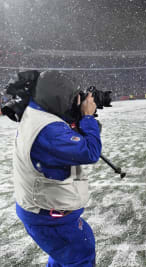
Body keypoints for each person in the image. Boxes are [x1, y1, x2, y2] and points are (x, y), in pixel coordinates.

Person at [13, 70, 101, 266]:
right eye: (71, 98)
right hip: (49, 217)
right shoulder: (48, 130)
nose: (73, 103)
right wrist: (87, 117)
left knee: (64, 254)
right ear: (58, 96)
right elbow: (90, 152)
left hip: (39, 209)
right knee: (80, 256)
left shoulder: (35, 112)